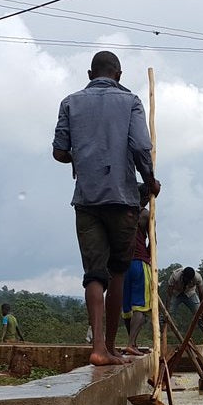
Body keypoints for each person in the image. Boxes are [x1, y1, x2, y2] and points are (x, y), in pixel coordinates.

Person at [52, 50, 159, 367]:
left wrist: (81, 158)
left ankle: (98, 347)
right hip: (123, 199)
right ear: (119, 75)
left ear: (89, 74)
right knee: (117, 274)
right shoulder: (131, 102)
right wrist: (150, 180)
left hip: (86, 200)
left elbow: (59, 151)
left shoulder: (70, 102)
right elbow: (141, 146)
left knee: (93, 275)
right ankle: (110, 347)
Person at [121, 192, 154, 356]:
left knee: (127, 309)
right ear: (145, 199)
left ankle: (132, 343)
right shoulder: (145, 214)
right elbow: (152, 240)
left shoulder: (122, 211)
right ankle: (130, 343)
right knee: (140, 308)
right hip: (139, 263)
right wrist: (149, 258)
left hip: (122, 265)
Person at [166, 266, 203, 346]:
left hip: (190, 293)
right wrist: (167, 310)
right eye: (186, 279)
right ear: (183, 275)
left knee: (200, 315)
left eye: (190, 280)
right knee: (166, 315)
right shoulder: (175, 276)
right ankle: (161, 337)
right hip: (176, 293)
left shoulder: (198, 277)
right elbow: (169, 295)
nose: (188, 281)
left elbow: (202, 296)